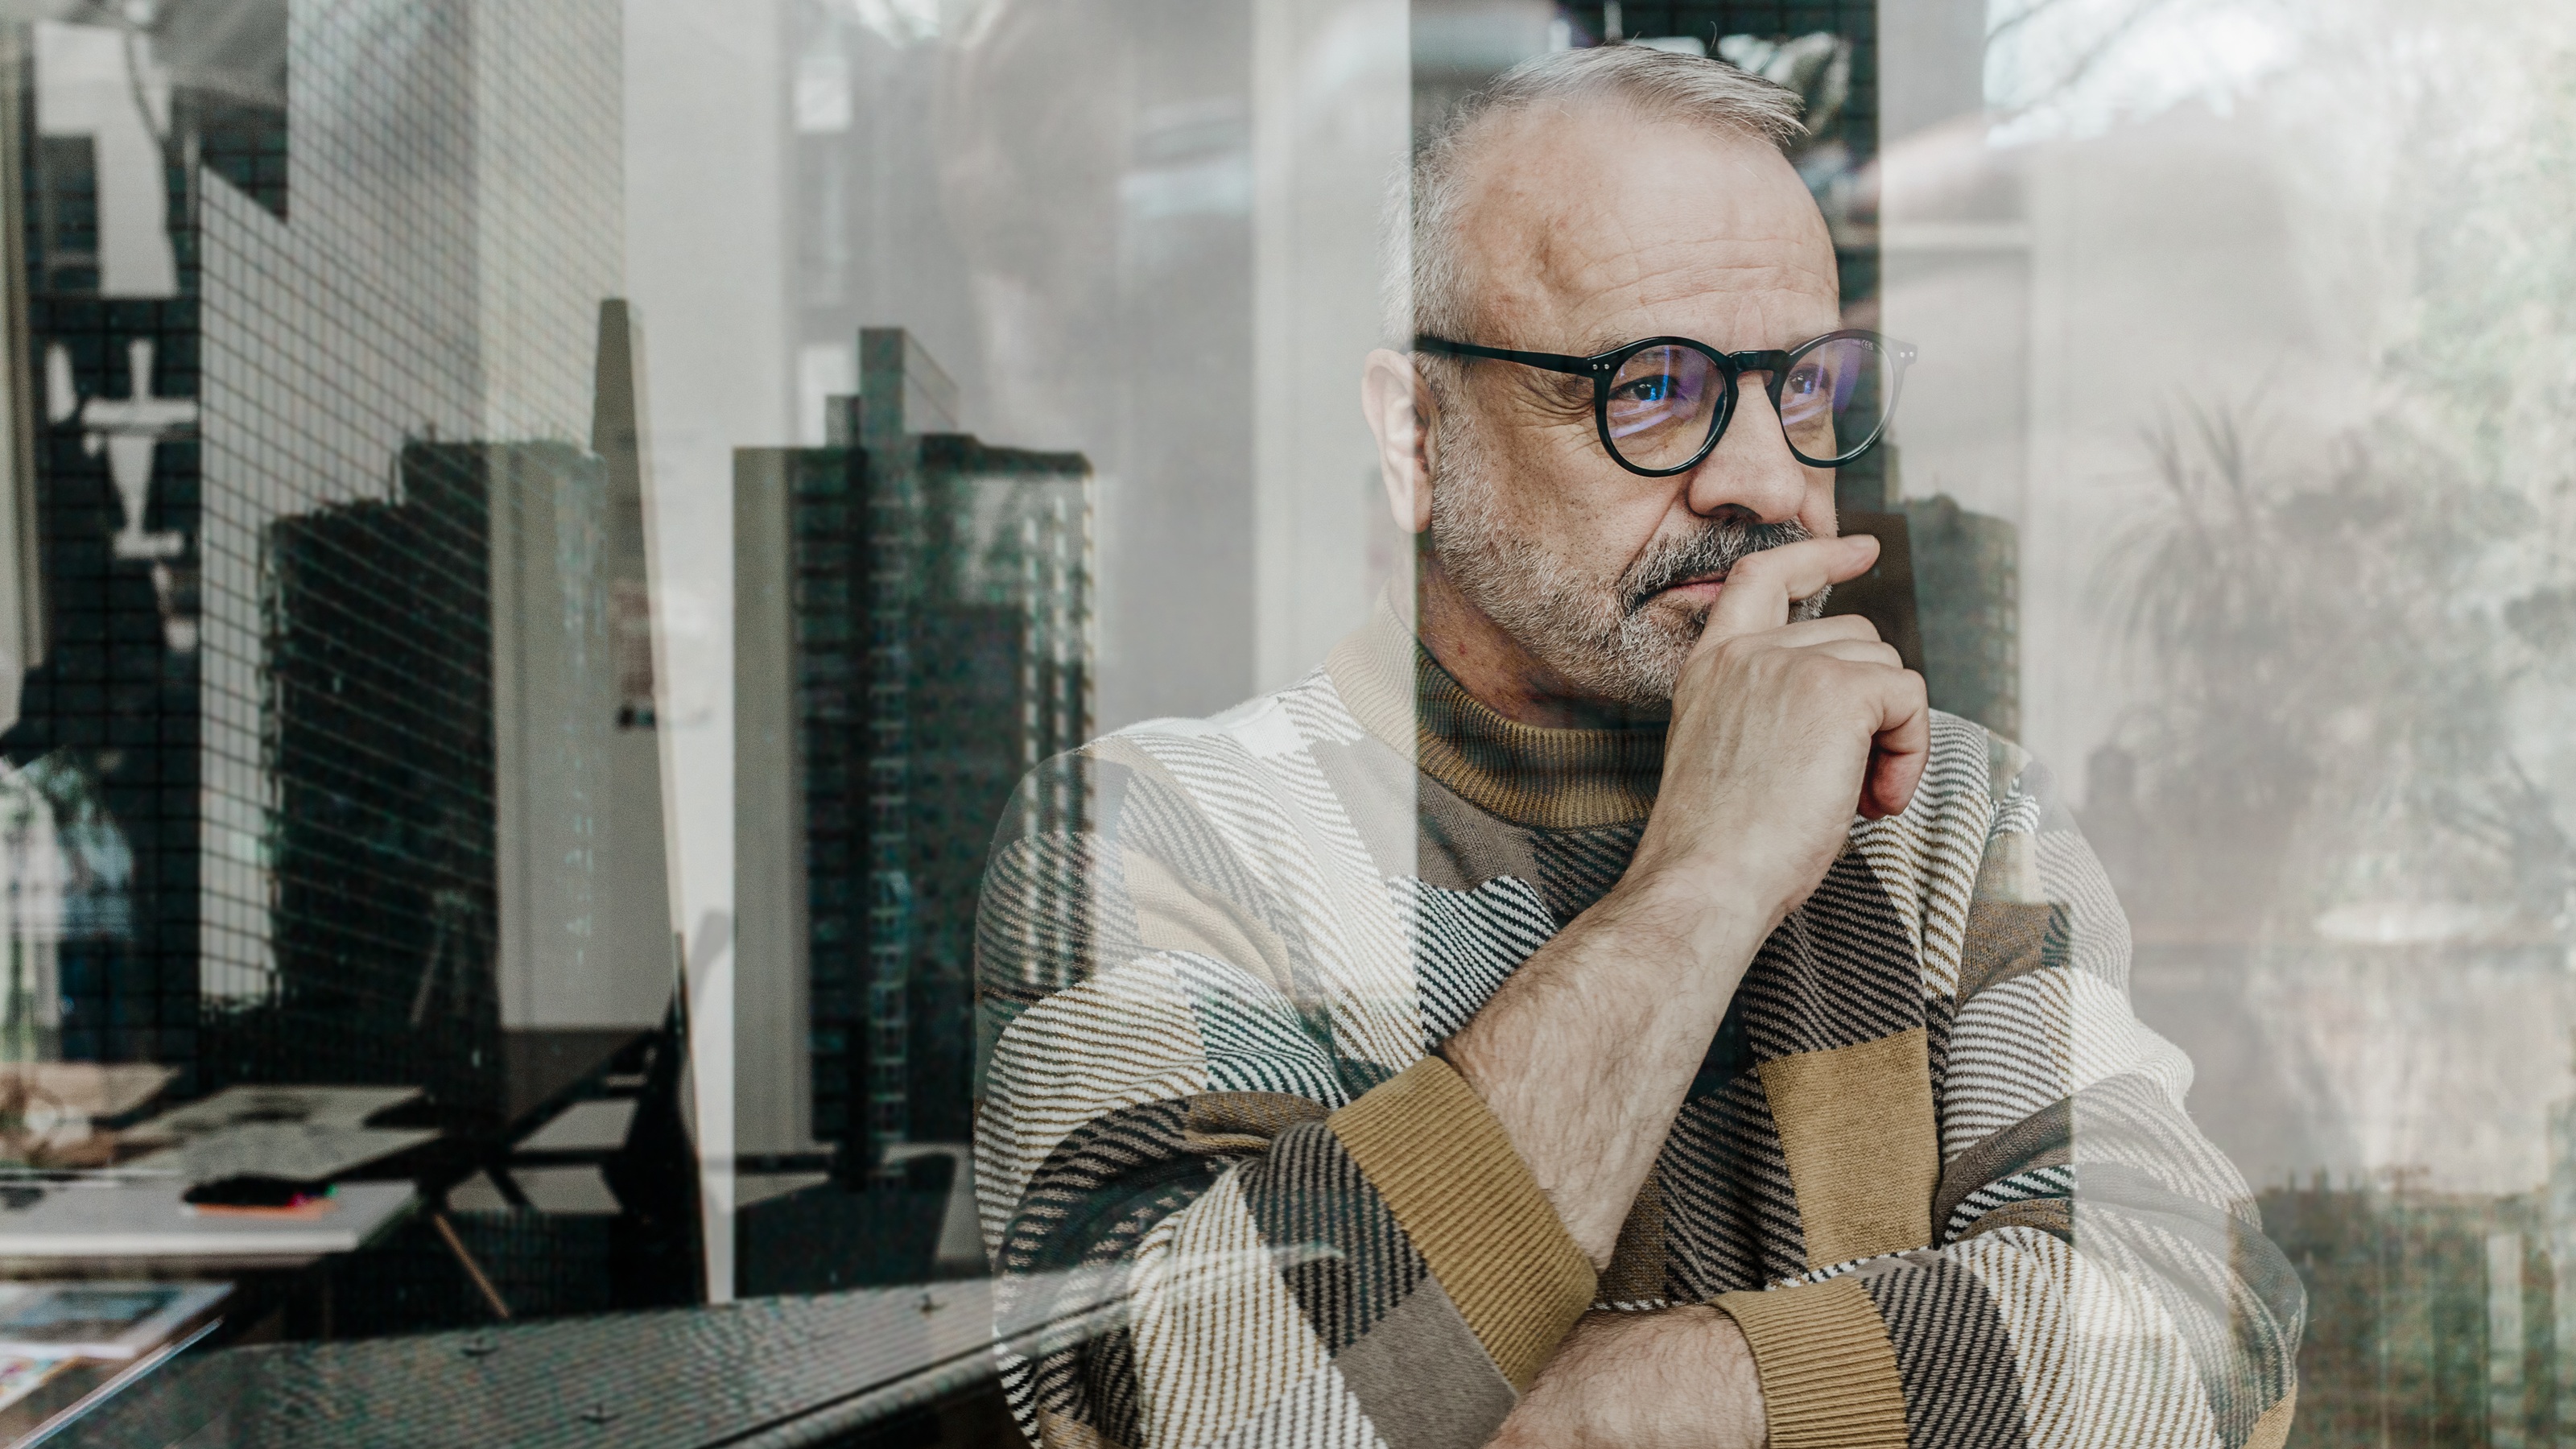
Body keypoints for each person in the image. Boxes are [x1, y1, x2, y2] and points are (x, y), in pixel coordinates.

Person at [973, 43, 2302, 1449]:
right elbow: (1178, 1413)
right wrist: (1704, 877)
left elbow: (2198, 1350)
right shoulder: (1160, 831)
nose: (1767, 479)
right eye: (1652, 387)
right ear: (1415, 434)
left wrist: (1512, 1411)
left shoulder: (1950, 812)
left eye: (1804, 387)